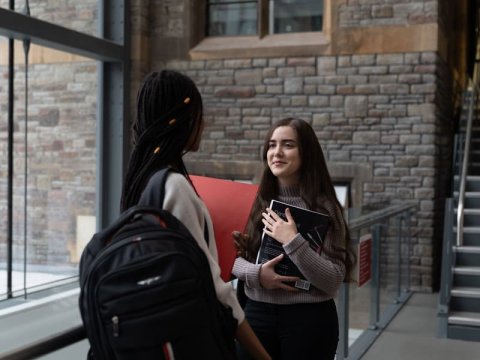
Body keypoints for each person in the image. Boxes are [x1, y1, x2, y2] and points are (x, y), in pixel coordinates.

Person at [120, 70, 271, 360]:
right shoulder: (174, 186)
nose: (203, 123)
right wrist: (263, 355)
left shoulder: (141, 178)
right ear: (181, 120)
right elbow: (214, 288)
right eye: (199, 114)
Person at [232, 117, 356, 360]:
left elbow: (333, 281)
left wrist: (292, 240)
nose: (277, 152)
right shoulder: (252, 201)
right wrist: (256, 274)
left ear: (306, 153)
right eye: (271, 145)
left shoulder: (326, 208)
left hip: (309, 320)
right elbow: (227, 260)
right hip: (256, 314)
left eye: (288, 145)